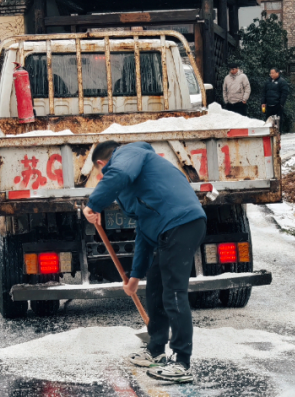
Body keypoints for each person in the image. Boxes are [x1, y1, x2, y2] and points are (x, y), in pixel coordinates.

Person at [82, 140, 207, 384]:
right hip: (168, 227)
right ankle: (155, 350)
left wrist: (93, 204)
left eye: (102, 173)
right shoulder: (138, 182)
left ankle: (181, 362)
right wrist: (135, 278)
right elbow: (144, 230)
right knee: (155, 289)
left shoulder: (128, 153)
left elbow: (118, 175)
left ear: (101, 163)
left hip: (182, 223)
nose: (105, 178)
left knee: (173, 293)